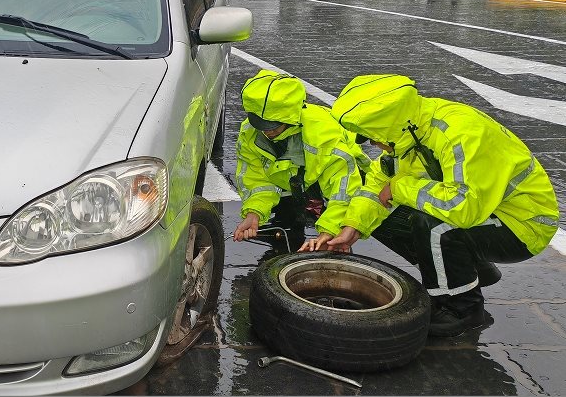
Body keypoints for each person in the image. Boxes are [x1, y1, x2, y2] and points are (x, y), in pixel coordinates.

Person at [303, 74, 560, 337]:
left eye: (373, 137)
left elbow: (464, 208)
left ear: (390, 127)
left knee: (434, 226)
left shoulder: (462, 134)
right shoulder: (410, 132)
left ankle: (464, 309)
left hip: (523, 224)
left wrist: (400, 188)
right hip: (486, 214)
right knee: (383, 217)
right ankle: (466, 272)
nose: (373, 144)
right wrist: (351, 227)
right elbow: (377, 186)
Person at [232, 70, 370, 250]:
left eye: (273, 126)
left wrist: (328, 232)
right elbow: (257, 179)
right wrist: (254, 212)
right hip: (295, 180)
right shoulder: (250, 132)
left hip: (343, 180)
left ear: (290, 119)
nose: (267, 132)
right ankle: (291, 233)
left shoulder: (321, 135)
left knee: (334, 235)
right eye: (261, 125)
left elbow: (343, 188)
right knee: (287, 225)